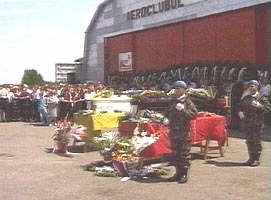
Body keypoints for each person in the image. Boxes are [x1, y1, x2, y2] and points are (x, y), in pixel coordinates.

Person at [163, 80, 198, 183]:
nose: (176, 90)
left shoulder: (187, 101)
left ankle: (183, 174)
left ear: (183, 89)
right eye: (175, 88)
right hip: (173, 131)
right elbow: (167, 112)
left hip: (183, 132)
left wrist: (183, 110)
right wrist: (165, 118)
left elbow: (194, 115)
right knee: (175, 153)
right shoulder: (173, 101)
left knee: (184, 154)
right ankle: (177, 173)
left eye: (178, 88)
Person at [238, 80, 271, 167]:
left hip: (257, 122)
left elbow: (268, 109)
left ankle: (256, 159)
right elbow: (240, 107)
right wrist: (240, 113)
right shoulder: (246, 97)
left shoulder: (262, 97)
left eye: (254, 86)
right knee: (249, 141)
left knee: (256, 141)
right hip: (247, 122)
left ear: (257, 87)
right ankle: (251, 158)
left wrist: (260, 106)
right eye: (250, 86)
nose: (252, 88)